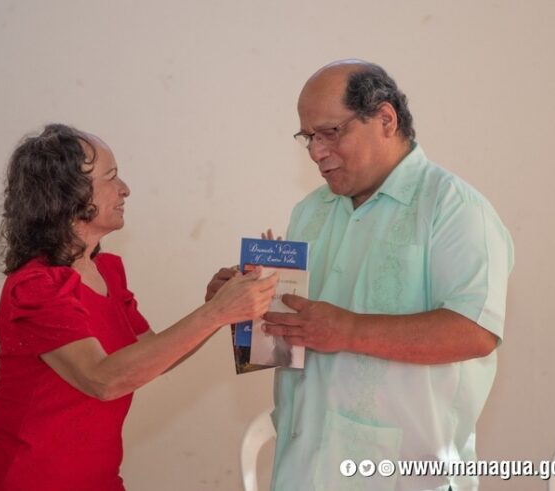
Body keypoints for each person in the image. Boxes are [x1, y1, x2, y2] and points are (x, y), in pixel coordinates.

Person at [206, 60, 514, 490]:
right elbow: (285, 343)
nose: (316, 152)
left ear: (385, 119)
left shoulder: (454, 209)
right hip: (301, 469)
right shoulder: (311, 211)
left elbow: (475, 332)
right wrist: (242, 308)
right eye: (308, 137)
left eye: (330, 132)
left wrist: (348, 329)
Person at [0, 124, 278, 490]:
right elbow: (103, 379)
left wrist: (215, 310)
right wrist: (215, 313)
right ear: (67, 193)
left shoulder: (108, 272)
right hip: (28, 480)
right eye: (111, 177)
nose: (125, 189)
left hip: (97, 479)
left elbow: (149, 357)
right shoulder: (36, 287)